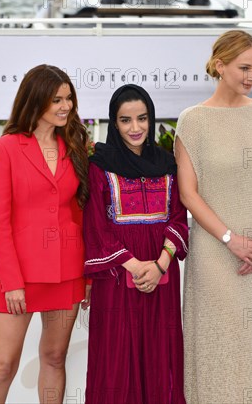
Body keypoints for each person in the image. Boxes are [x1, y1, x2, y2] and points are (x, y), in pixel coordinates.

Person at [175, 30, 252, 403]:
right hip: (214, 254)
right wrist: (231, 239)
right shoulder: (193, 121)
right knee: (218, 346)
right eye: (244, 67)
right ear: (220, 65)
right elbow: (189, 193)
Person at [0, 64, 91, 403]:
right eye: (57, 99)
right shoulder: (6, 149)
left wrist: (88, 276)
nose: (65, 106)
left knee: (55, 357)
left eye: (69, 98)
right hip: (20, 276)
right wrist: (11, 281)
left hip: (67, 271)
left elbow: (81, 214)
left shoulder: (75, 147)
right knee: (3, 366)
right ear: (35, 100)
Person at [83, 84, 189, 404]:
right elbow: (96, 225)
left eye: (142, 119)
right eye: (125, 120)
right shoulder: (99, 166)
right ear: (114, 123)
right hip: (117, 277)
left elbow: (178, 218)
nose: (135, 128)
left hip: (162, 277)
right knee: (116, 356)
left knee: (161, 353)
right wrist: (133, 265)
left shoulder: (167, 164)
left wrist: (159, 265)